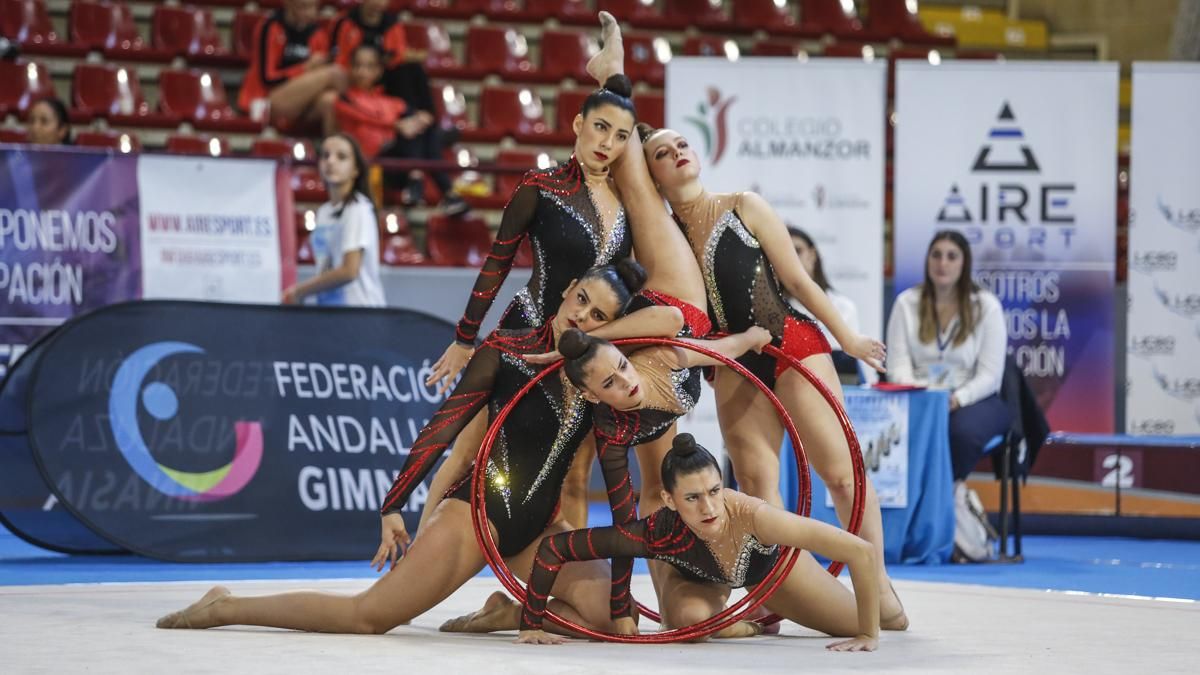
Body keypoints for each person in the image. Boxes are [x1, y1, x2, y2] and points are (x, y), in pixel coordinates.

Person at [153, 264, 745, 636]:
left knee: (609, 625)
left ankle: (508, 610)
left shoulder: (601, 374)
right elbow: (442, 428)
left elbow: (674, 325)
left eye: (599, 316)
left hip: (539, 530)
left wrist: (741, 340)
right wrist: (394, 503)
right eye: (581, 300)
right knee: (371, 617)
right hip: (479, 514)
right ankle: (227, 606)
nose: (582, 317)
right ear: (567, 289)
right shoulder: (506, 351)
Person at [609, 10, 903, 625]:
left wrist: (847, 337)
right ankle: (773, 594)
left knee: (841, 475)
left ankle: (880, 587)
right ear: (651, 173)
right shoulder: (662, 243)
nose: (677, 152)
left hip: (790, 343)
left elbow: (797, 281)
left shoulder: (744, 204)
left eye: (682, 144)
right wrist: (615, 84)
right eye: (662, 152)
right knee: (760, 492)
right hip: (733, 364)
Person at [416, 72, 640, 531]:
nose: (607, 143)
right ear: (578, 124)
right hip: (525, 329)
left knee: (574, 474)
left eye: (621, 136)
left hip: (585, 351)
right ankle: (421, 552)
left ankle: (564, 567)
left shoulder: (631, 202)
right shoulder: (540, 186)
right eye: (600, 127)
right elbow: (497, 262)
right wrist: (465, 337)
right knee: (470, 451)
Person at [452, 434, 883, 651]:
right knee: (688, 625)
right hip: (697, 579)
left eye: (714, 491)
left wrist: (868, 633)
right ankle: (745, 619)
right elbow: (555, 549)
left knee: (887, 619)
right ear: (669, 500)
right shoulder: (657, 531)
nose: (709, 507)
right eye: (692, 498)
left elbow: (859, 552)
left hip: (767, 572)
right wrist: (530, 619)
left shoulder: (754, 516)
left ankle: (755, 609)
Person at [884, 230, 1009, 561]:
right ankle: (901, 528)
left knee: (960, 433)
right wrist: (925, 395)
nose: (943, 263)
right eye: (936, 255)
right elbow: (897, 366)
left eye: (952, 256)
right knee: (889, 432)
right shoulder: (907, 303)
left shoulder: (986, 306)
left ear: (964, 263)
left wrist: (957, 398)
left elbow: (991, 376)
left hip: (973, 398)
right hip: (919, 398)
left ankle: (945, 509)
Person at [334, 44, 467, 215]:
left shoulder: (390, 101)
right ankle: (446, 191)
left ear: (379, 71)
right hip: (372, 164)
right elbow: (363, 116)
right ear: (350, 68)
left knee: (423, 128)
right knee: (415, 131)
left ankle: (416, 178)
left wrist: (421, 119)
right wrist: (396, 125)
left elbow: (419, 120)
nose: (362, 72)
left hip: (400, 164)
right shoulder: (345, 98)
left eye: (369, 66)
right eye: (357, 65)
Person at [282, 133, 385, 306]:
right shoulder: (324, 212)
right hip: (330, 311)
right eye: (325, 155)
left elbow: (349, 271)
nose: (331, 161)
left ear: (356, 169)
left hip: (361, 312)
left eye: (341, 157)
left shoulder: (358, 209)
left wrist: (299, 291)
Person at [238, 0, 346, 135]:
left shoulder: (318, 34)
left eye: (314, 7)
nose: (311, 13)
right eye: (304, 7)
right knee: (335, 73)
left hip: (303, 101)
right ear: (288, 3)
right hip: (266, 100)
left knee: (330, 100)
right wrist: (305, 68)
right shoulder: (270, 27)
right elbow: (267, 79)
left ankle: (338, 145)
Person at [786, 226, 874, 384]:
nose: (791, 259)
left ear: (813, 255)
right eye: (786, 252)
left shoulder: (844, 307)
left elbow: (847, 364)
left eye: (797, 251)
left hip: (838, 386)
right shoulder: (772, 308)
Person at [325, 0, 407, 69]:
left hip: (382, 74)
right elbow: (337, 55)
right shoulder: (343, 21)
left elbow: (398, 56)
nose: (379, 2)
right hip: (348, 72)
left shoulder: (394, 25)